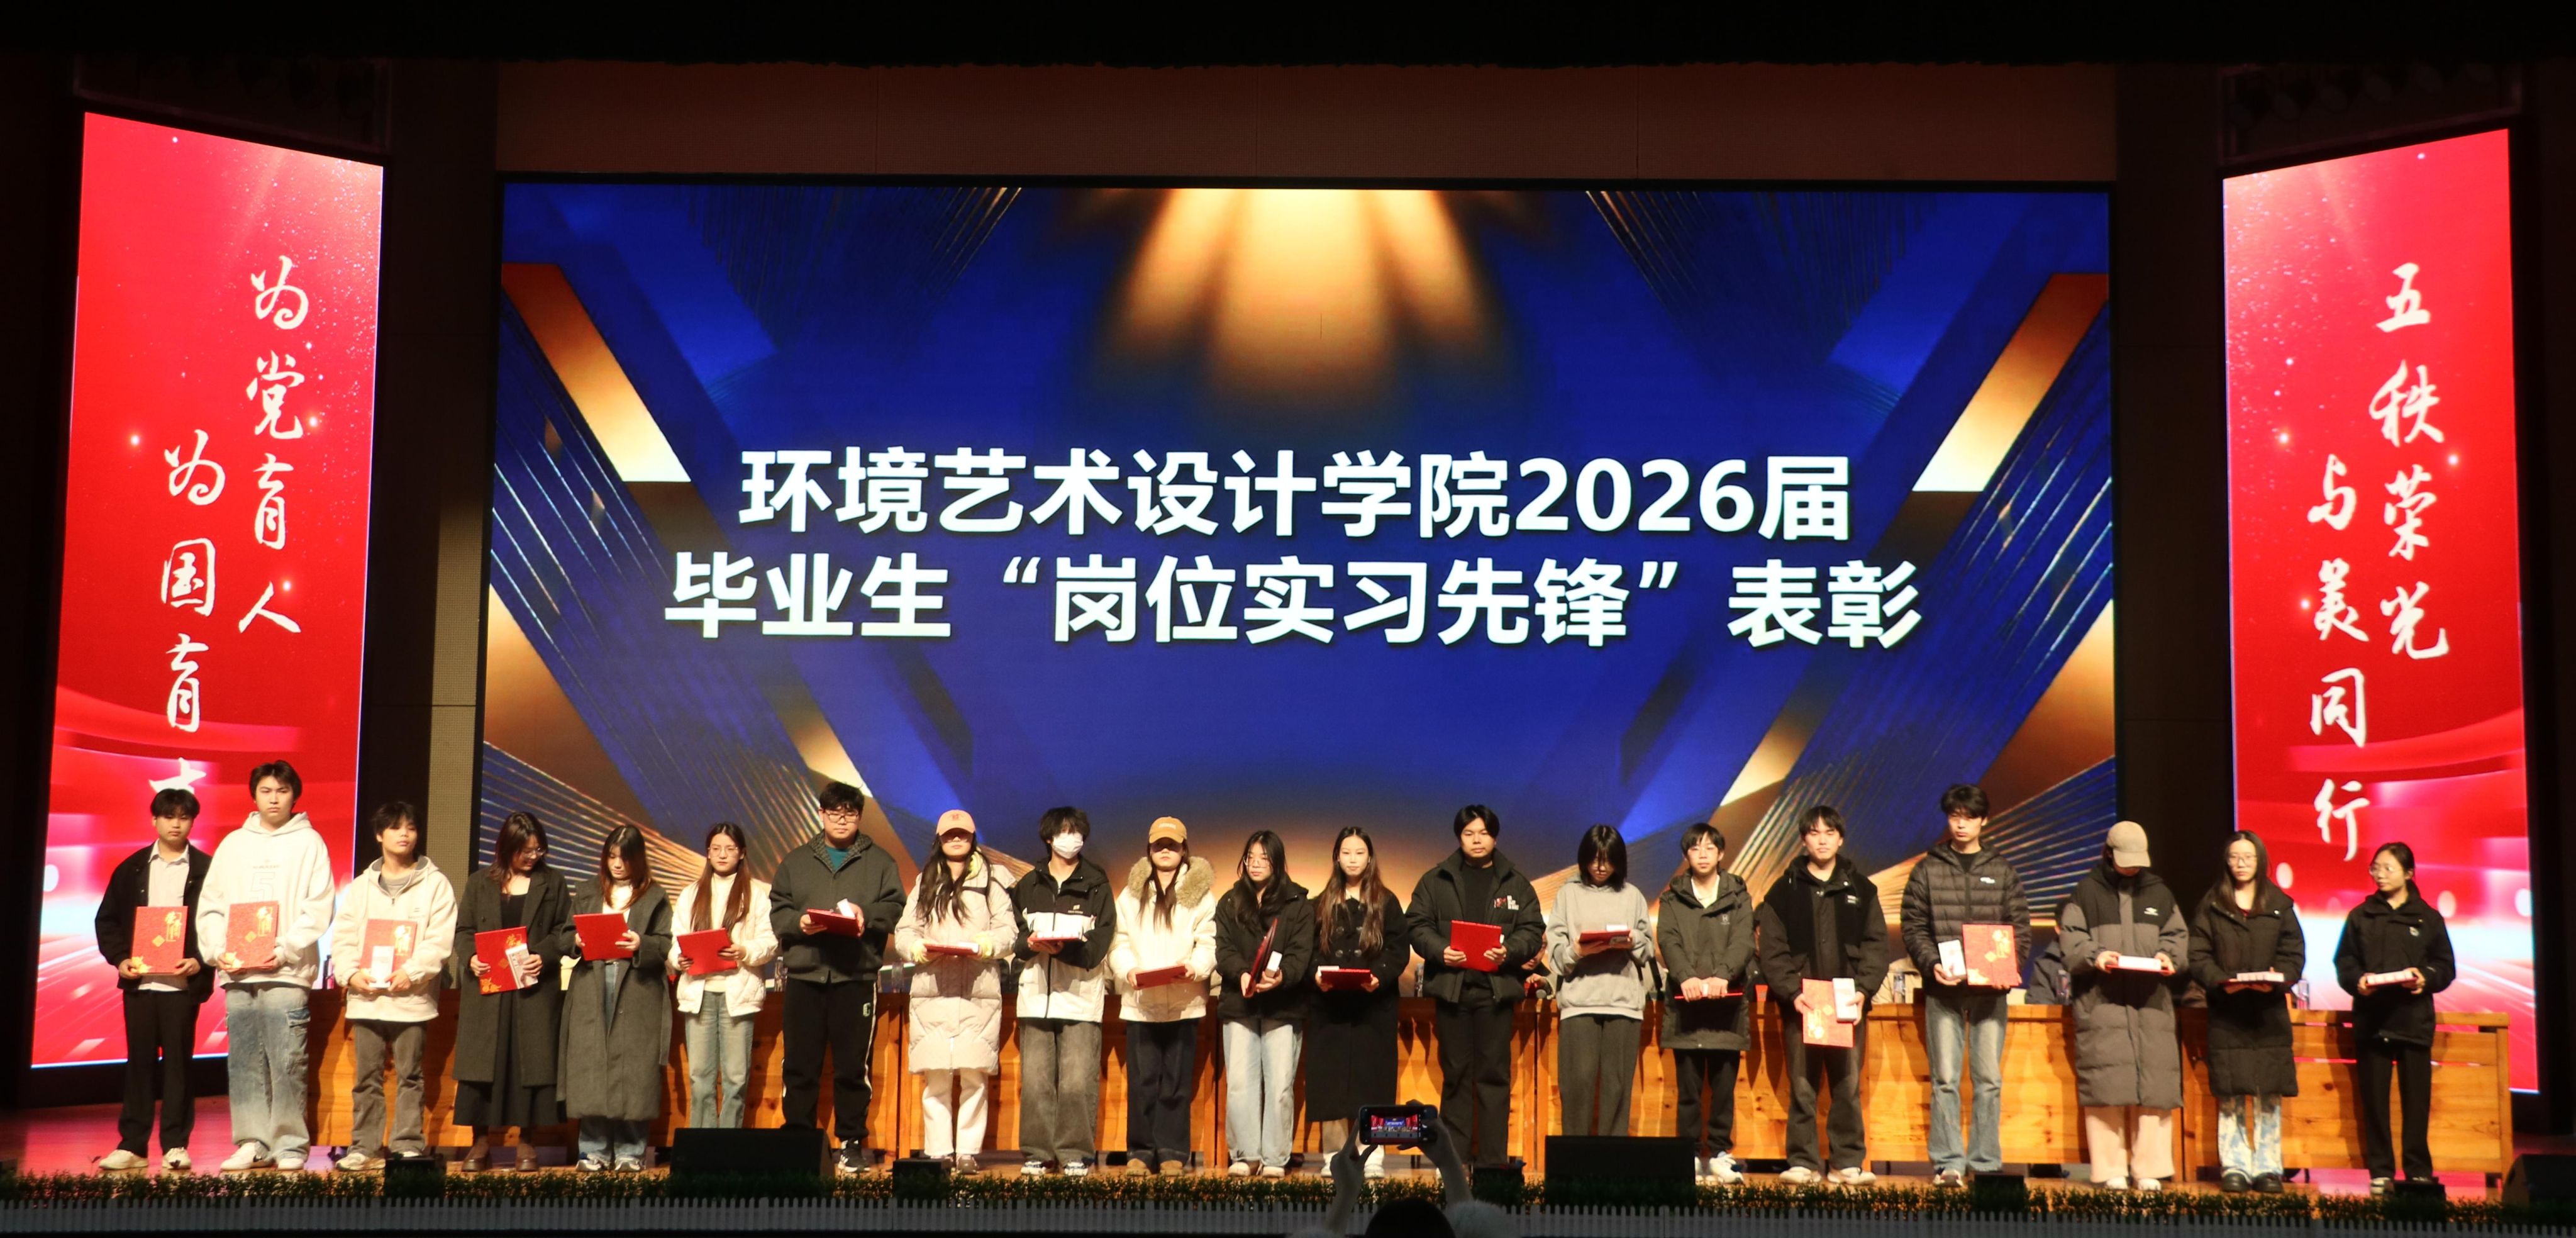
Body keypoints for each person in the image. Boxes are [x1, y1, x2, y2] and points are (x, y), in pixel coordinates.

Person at [196, 761, 336, 1173]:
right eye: (266, 791)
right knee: (244, 1062)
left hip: (286, 971)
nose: (274, 799)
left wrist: (286, 948)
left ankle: (290, 1143)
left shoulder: (310, 843)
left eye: (282, 791)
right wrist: (217, 950)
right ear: (254, 795)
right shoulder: (234, 844)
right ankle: (252, 1142)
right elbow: (212, 905)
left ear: (295, 796)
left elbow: (318, 907)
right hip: (239, 972)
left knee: (288, 1058)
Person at [769, 781, 906, 1174]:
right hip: (805, 975)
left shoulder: (880, 861)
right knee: (800, 1063)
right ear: (821, 815)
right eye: (834, 812)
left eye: (849, 813)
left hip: (855, 976)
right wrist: (800, 923)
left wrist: (866, 915)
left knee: (852, 1066)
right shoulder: (796, 861)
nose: (842, 820)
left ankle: (851, 1143)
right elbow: (778, 911)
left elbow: (895, 906)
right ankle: (799, 1140)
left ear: (859, 817)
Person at [1897, 783, 2030, 1188]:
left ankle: (1985, 1163)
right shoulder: (1928, 869)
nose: (1961, 824)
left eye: (1969, 817)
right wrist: (1931, 964)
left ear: (1983, 820)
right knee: (1945, 1079)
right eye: (1955, 816)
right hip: (1945, 990)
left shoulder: (2002, 870)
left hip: (1990, 993)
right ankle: (1948, 1163)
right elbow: (1913, 926)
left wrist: (2008, 967)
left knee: (1989, 1080)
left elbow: (2020, 928)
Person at [1755, 805, 1889, 1186]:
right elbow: (1772, 949)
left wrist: (1863, 990)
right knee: (1802, 1084)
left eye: (1830, 832)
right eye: (1814, 833)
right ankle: (1803, 1162)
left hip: (1848, 1001)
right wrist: (1791, 992)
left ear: (1841, 839)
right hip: (1803, 1002)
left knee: (1847, 1083)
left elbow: (1877, 944)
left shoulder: (1862, 889)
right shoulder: (1784, 890)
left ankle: (1847, 1162)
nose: (1822, 840)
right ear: (1804, 840)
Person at [1406, 805, 1544, 1169]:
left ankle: (1493, 1163)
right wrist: (1441, 950)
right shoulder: (1436, 880)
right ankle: (1455, 1161)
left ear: (1495, 837)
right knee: (1456, 1077)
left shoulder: (1516, 882)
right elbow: (1416, 924)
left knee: (1494, 1078)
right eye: (1469, 834)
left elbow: (1532, 930)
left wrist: (1509, 951)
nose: (1477, 840)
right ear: (1459, 837)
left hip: (1495, 994)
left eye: (1483, 833)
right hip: (1453, 993)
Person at [326, 803, 457, 1171]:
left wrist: (412, 973)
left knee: (410, 1076)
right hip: (367, 997)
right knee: (366, 1078)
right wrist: (350, 974)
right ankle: (364, 1148)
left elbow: (439, 940)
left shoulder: (435, 884)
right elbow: (344, 937)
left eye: (411, 828)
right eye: (396, 828)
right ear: (379, 835)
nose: (405, 834)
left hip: (411, 999)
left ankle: (406, 1145)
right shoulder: (361, 887)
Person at [2058, 820, 2187, 1191]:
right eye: (2125, 860)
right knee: (2106, 1085)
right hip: (2103, 1005)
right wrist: (2096, 955)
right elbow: (2072, 942)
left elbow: (2178, 937)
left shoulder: (2160, 893)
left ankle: (2150, 1168)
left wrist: (2169, 956)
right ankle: (2110, 1168)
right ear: (2108, 854)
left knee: (2155, 1085)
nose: (2132, 868)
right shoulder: (2086, 892)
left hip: (2151, 1005)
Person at [93, 786, 214, 1173]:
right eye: (168, 816)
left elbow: (220, 923)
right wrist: (121, 959)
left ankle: (176, 1144)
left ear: (192, 822)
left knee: (179, 1065)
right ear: (154, 820)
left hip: (181, 986)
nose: (176, 824)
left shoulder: (207, 869)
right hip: (141, 984)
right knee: (139, 1063)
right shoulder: (131, 868)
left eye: (184, 817)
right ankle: (133, 1145)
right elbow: (107, 920)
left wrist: (200, 961)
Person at [896, 810, 1017, 1174]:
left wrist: (986, 945)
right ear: (939, 839)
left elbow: (1008, 930)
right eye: (950, 835)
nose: (956, 840)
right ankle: (938, 1152)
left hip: (977, 990)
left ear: (972, 837)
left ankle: (967, 1151)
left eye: (962, 834)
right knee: (935, 1075)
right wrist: (916, 948)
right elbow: (906, 930)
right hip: (933, 990)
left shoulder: (993, 879)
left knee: (974, 1075)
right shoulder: (926, 880)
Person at [2334, 840, 2457, 1195]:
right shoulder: (2361, 916)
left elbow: (2445, 965)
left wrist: (2425, 978)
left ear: (2409, 873)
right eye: (2375, 868)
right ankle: (2381, 1171)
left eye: (2388, 868)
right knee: (2375, 1103)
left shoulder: (2427, 918)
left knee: (2416, 1103)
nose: (2380, 874)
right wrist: (2357, 982)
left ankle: (2418, 1171)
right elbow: (2345, 961)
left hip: (2413, 1021)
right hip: (2373, 1021)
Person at [453, 810, 570, 1171]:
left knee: (529, 1064)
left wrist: (543, 956)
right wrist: (471, 957)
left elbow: (565, 932)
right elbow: (464, 931)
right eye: (525, 851)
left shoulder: (553, 882)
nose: (533, 857)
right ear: (507, 848)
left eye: (538, 850)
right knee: (482, 1065)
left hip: (532, 989)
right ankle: (480, 1142)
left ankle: (527, 1140)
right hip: (489, 990)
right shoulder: (480, 882)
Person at [2188, 830, 2302, 1194]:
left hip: (2269, 1013)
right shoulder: (2212, 904)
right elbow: (2198, 955)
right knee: (2231, 1093)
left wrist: (2278, 980)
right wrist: (2220, 982)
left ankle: (2268, 1168)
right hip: (2228, 1013)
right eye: (2235, 857)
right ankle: (2235, 1166)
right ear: (2227, 861)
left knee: (2269, 1093)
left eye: (2248, 857)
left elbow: (2294, 954)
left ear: (2260, 860)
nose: (2241, 864)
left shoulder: (2279, 905)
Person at [1108, 816, 1218, 1176]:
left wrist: (1196, 968)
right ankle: (1140, 1152)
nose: (1165, 850)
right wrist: (1128, 970)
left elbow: (1208, 943)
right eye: (1159, 844)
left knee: (1176, 1083)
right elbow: (1119, 941)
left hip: (1184, 1001)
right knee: (1142, 1083)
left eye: (1172, 844)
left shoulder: (1201, 895)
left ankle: (1172, 1151)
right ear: (1150, 849)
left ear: (1184, 849)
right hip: (1141, 1004)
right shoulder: (1131, 894)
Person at [1009, 806, 1116, 1177]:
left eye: (1078, 833)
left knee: (1076, 1082)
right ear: (1049, 837)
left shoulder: (1098, 884)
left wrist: (1061, 949)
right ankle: (1038, 1153)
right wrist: (1030, 944)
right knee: (1036, 1082)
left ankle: (1075, 1154)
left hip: (1080, 999)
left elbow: (1100, 943)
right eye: (1065, 832)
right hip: (1036, 997)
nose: (1072, 839)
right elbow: (1014, 937)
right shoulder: (1028, 884)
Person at [560, 824, 673, 1172]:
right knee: (592, 1062)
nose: (618, 864)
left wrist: (641, 944)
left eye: (624, 857)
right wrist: (576, 941)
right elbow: (565, 934)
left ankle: (631, 1150)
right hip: (592, 983)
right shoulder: (588, 891)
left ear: (638, 859)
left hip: (636, 985)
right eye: (611, 856)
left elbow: (666, 943)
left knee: (633, 1066)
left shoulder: (654, 896)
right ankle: (593, 1149)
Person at [1657, 822, 1755, 1186]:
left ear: (1721, 853)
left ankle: (1720, 1154)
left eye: (1710, 848)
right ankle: (1689, 1154)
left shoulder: (1738, 895)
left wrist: (1723, 975)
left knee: (1724, 1090)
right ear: (1686, 855)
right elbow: (1667, 939)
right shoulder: (1672, 898)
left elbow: (1744, 941)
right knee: (1689, 1092)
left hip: (1726, 1006)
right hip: (1687, 1006)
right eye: (1695, 848)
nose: (1702, 854)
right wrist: (1686, 977)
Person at [1307, 827, 1408, 1180]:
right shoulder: (1320, 903)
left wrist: (1379, 975)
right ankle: (1335, 1154)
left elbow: (1398, 949)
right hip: (1331, 1007)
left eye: (1359, 853)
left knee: (1373, 1079)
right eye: (1346, 852)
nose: (1353, 859)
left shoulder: (1387, 902)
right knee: (1331, 1080)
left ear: (1370, 858)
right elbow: (1307, 950)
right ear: (1337, 857)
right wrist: (1317, 975)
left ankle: (1372, 1152)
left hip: (1373, 1006)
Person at [1214, 830, 1314, 1178]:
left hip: (1283, 1005)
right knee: (1240, 1083)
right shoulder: (1229, 901)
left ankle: (1274, 1158)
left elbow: (1301, 954)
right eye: (1251, 857)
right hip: (1239, 1004)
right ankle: (1245, 1155)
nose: (1256, 864)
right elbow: (1223, 949)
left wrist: (1281, 977)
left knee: (1280, 1085)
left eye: (1264, 858)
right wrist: (1242, 973)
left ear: (1278, 862)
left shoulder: (1297, 903)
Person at [1546, 824, 1655, 1138]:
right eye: (1595, 859)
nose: (1601, 867)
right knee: (1577, 1084)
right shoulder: (1568, 895)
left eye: (1608, 860)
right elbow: (1556, 956)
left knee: (1617, 1087)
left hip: (1623, 1002)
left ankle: (1613, 1161)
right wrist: (1578, 951)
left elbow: (1647, 950)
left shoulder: (1632, 895)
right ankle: (1575, 1160)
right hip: (1580, 1001)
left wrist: (1633, 940)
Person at [670, 822, 777, 1129]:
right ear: (708, 852)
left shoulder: (757, 894)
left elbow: (770, 942)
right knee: (700, 1077)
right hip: (699, 992)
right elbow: (675, 940)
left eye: (730, 849)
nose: (722, 854)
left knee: (736, 1078)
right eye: (716, 849)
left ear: (742, 853)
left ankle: (728, 1144)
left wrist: (743, 951)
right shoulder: (691, 893)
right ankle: (702, 1145)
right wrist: (679, 959)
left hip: (738, 994)